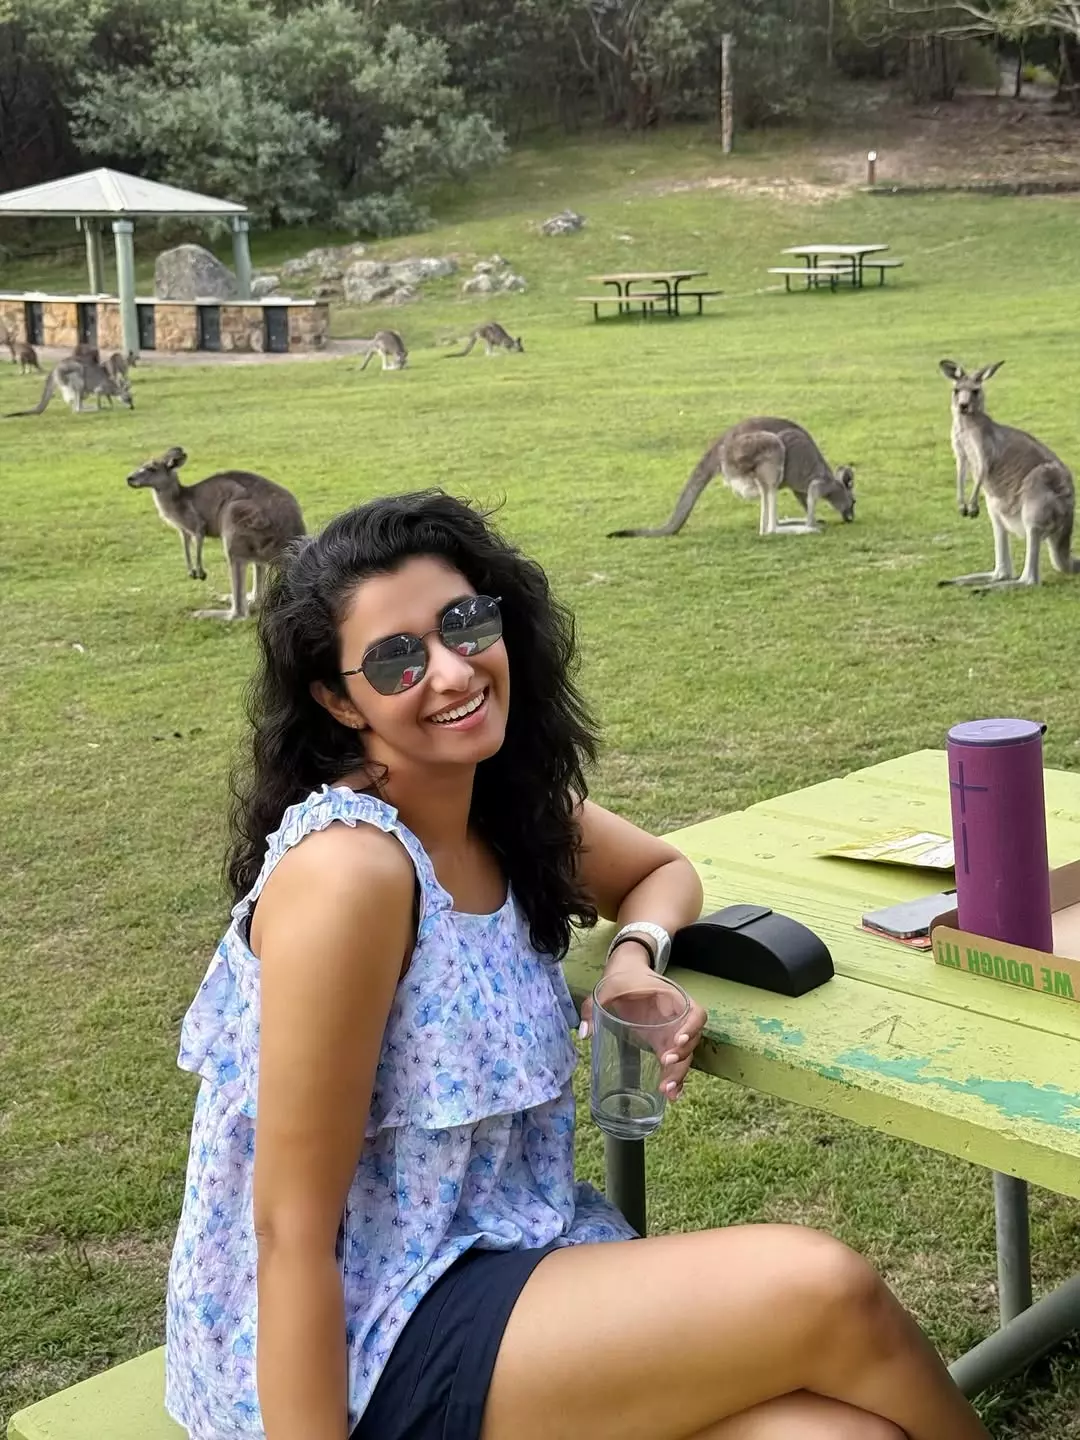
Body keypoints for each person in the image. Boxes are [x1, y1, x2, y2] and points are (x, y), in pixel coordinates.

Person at [164, 490, 991, 1440]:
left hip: (507, 1259)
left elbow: (662, 870)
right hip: (364, 1335)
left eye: (464, 623)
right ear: (339, 699)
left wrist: (636, 960)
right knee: (824, 1290)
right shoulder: (350, 871)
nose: (449, 670)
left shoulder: (497, 805)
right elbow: (290, 1233)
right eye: (396, 659)